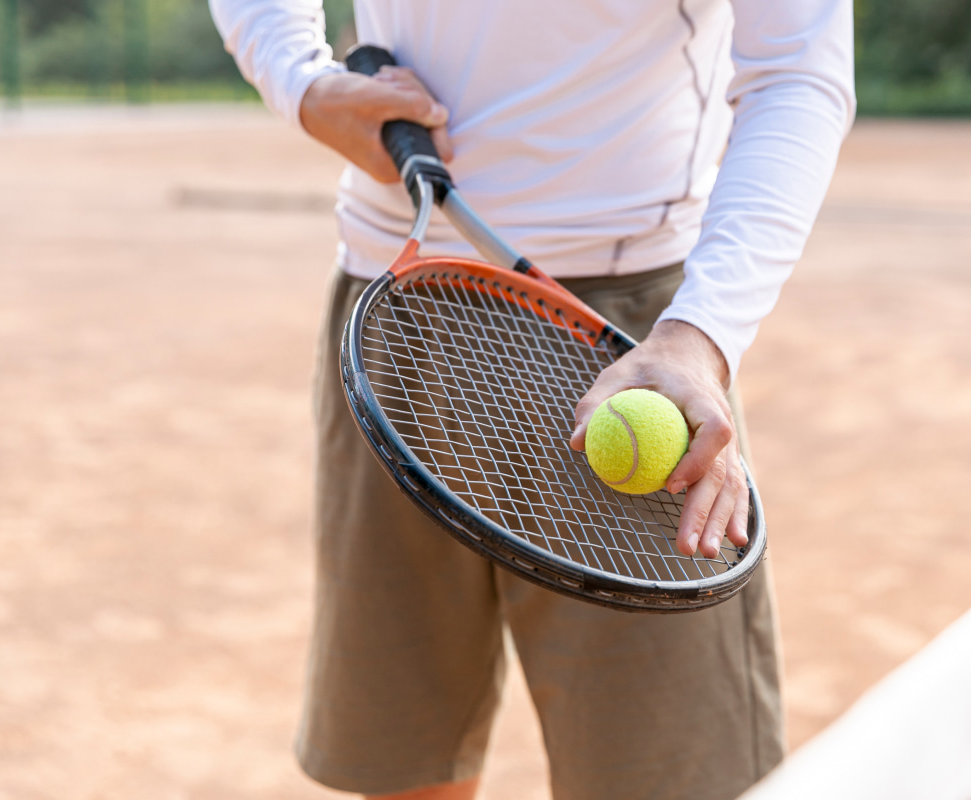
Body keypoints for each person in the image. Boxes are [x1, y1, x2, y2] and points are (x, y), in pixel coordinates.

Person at [209, 2, 855, 799]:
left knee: (666, 781)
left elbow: (798, 71)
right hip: (397, 311)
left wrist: (700, 336)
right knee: (404, 771)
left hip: (629, 350)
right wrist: (298, 79)